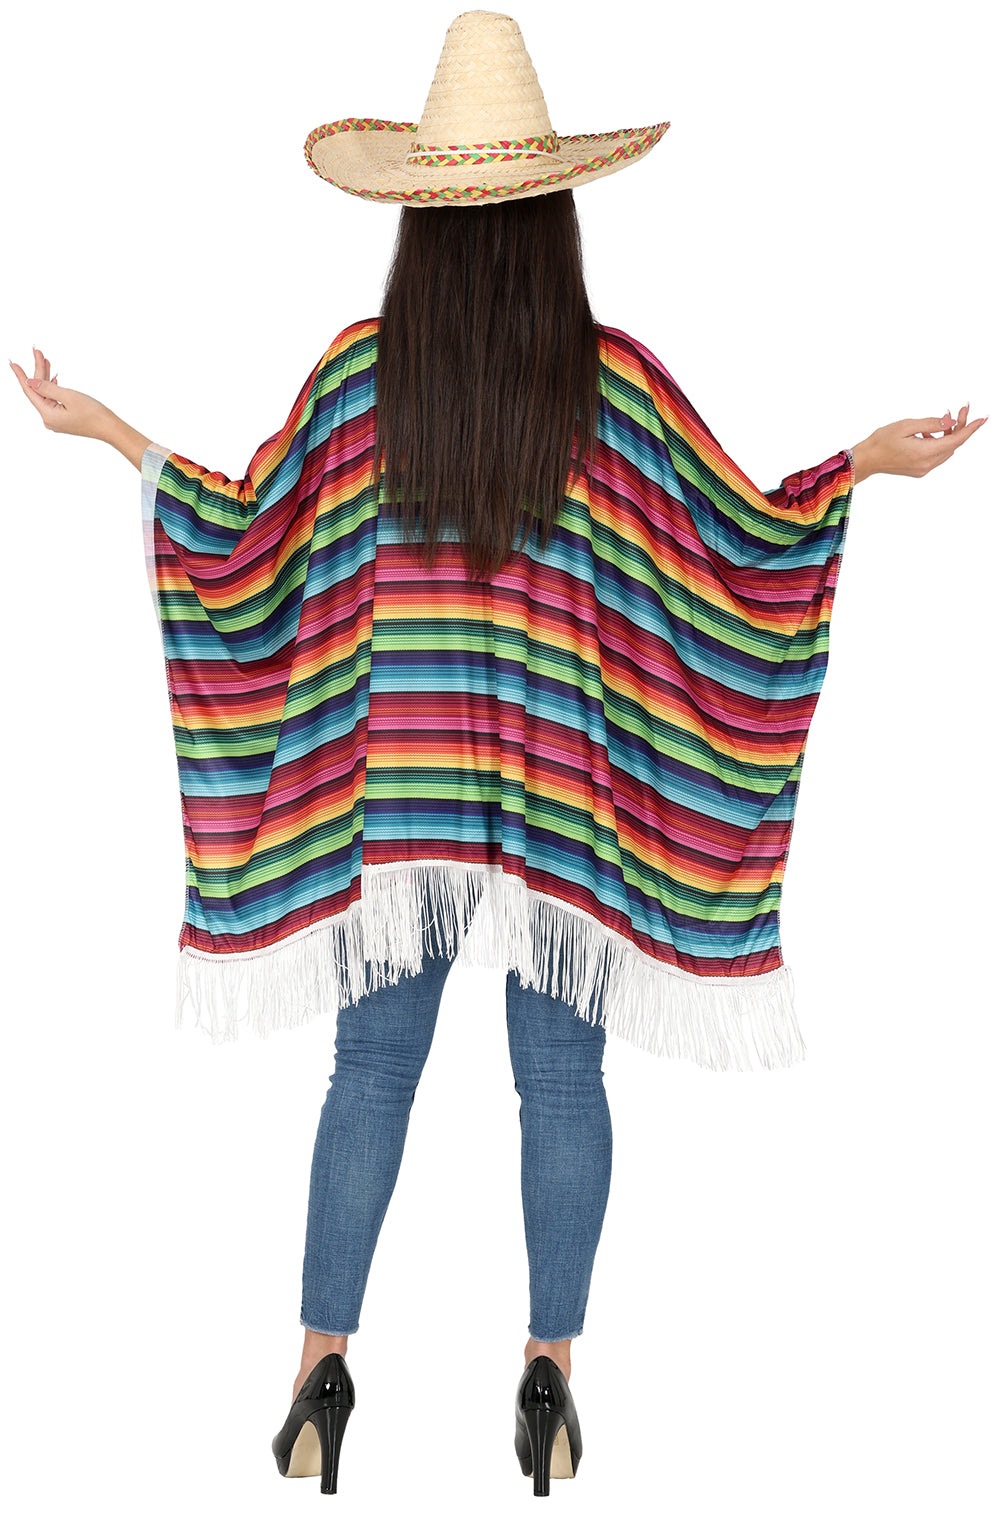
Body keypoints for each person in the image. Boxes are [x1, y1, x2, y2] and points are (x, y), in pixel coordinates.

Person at [10, 8, 987, 1501]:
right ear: (554, 218)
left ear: (419, 218)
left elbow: (247, 533)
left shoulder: (363, 378)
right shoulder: (612, 384)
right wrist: (858, 464)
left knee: (369, 1070)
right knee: (565, 1086)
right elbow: (736, 536)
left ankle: (319, 1372)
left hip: (394, 799)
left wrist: (111, 436)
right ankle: (550, 1381)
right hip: (561, 802)